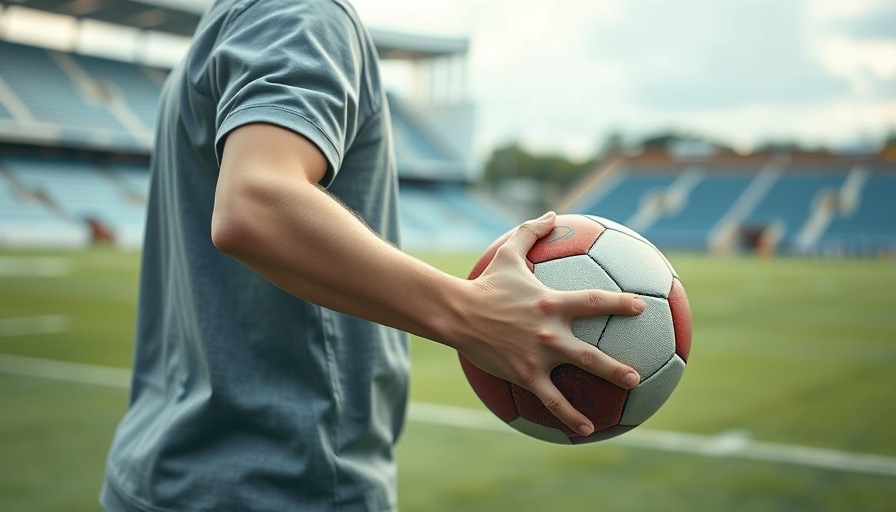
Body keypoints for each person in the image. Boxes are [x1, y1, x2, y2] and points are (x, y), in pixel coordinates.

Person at [100, 0, 646, 510]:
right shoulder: (302, 17)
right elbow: (255, 204)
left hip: (162, 473)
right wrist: (471, 313)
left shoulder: (233, 18)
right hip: (281, 482)